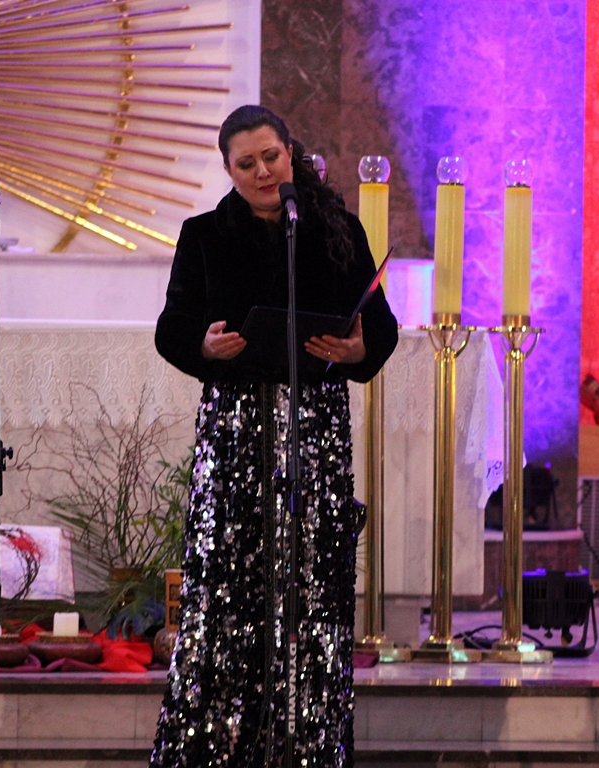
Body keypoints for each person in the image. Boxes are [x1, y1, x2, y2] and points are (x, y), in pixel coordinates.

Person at [150, 104, 398, 768]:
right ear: (229, 170)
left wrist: (356, 350)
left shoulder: (335, 229)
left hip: (314, 433)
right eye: (246, 163)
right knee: (231, 587)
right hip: (236, 431)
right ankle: (221, 745)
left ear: (291, 153)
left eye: (271, 156)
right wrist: (204, 345)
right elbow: (172, 329)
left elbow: (380, 326)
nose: (262, 171)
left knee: (310, 585)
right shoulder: (205, 235)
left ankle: (305, 745)